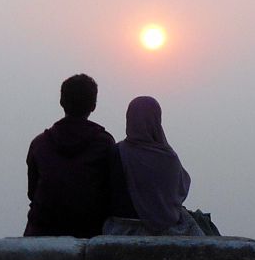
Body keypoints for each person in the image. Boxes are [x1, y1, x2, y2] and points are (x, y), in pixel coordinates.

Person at [24, 74, 116, 237]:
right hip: (89, 233)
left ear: (61, 102)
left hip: (42, 232)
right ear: (93, 105)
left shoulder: (39, 144)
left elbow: (32, 192)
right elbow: (112, 191)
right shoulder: (104, 144)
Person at [103, 95, 204, 236]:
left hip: (120, 230)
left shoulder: (117, 152)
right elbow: (181, 189)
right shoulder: (169, 158)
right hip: (166, 230)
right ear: (157, 121)